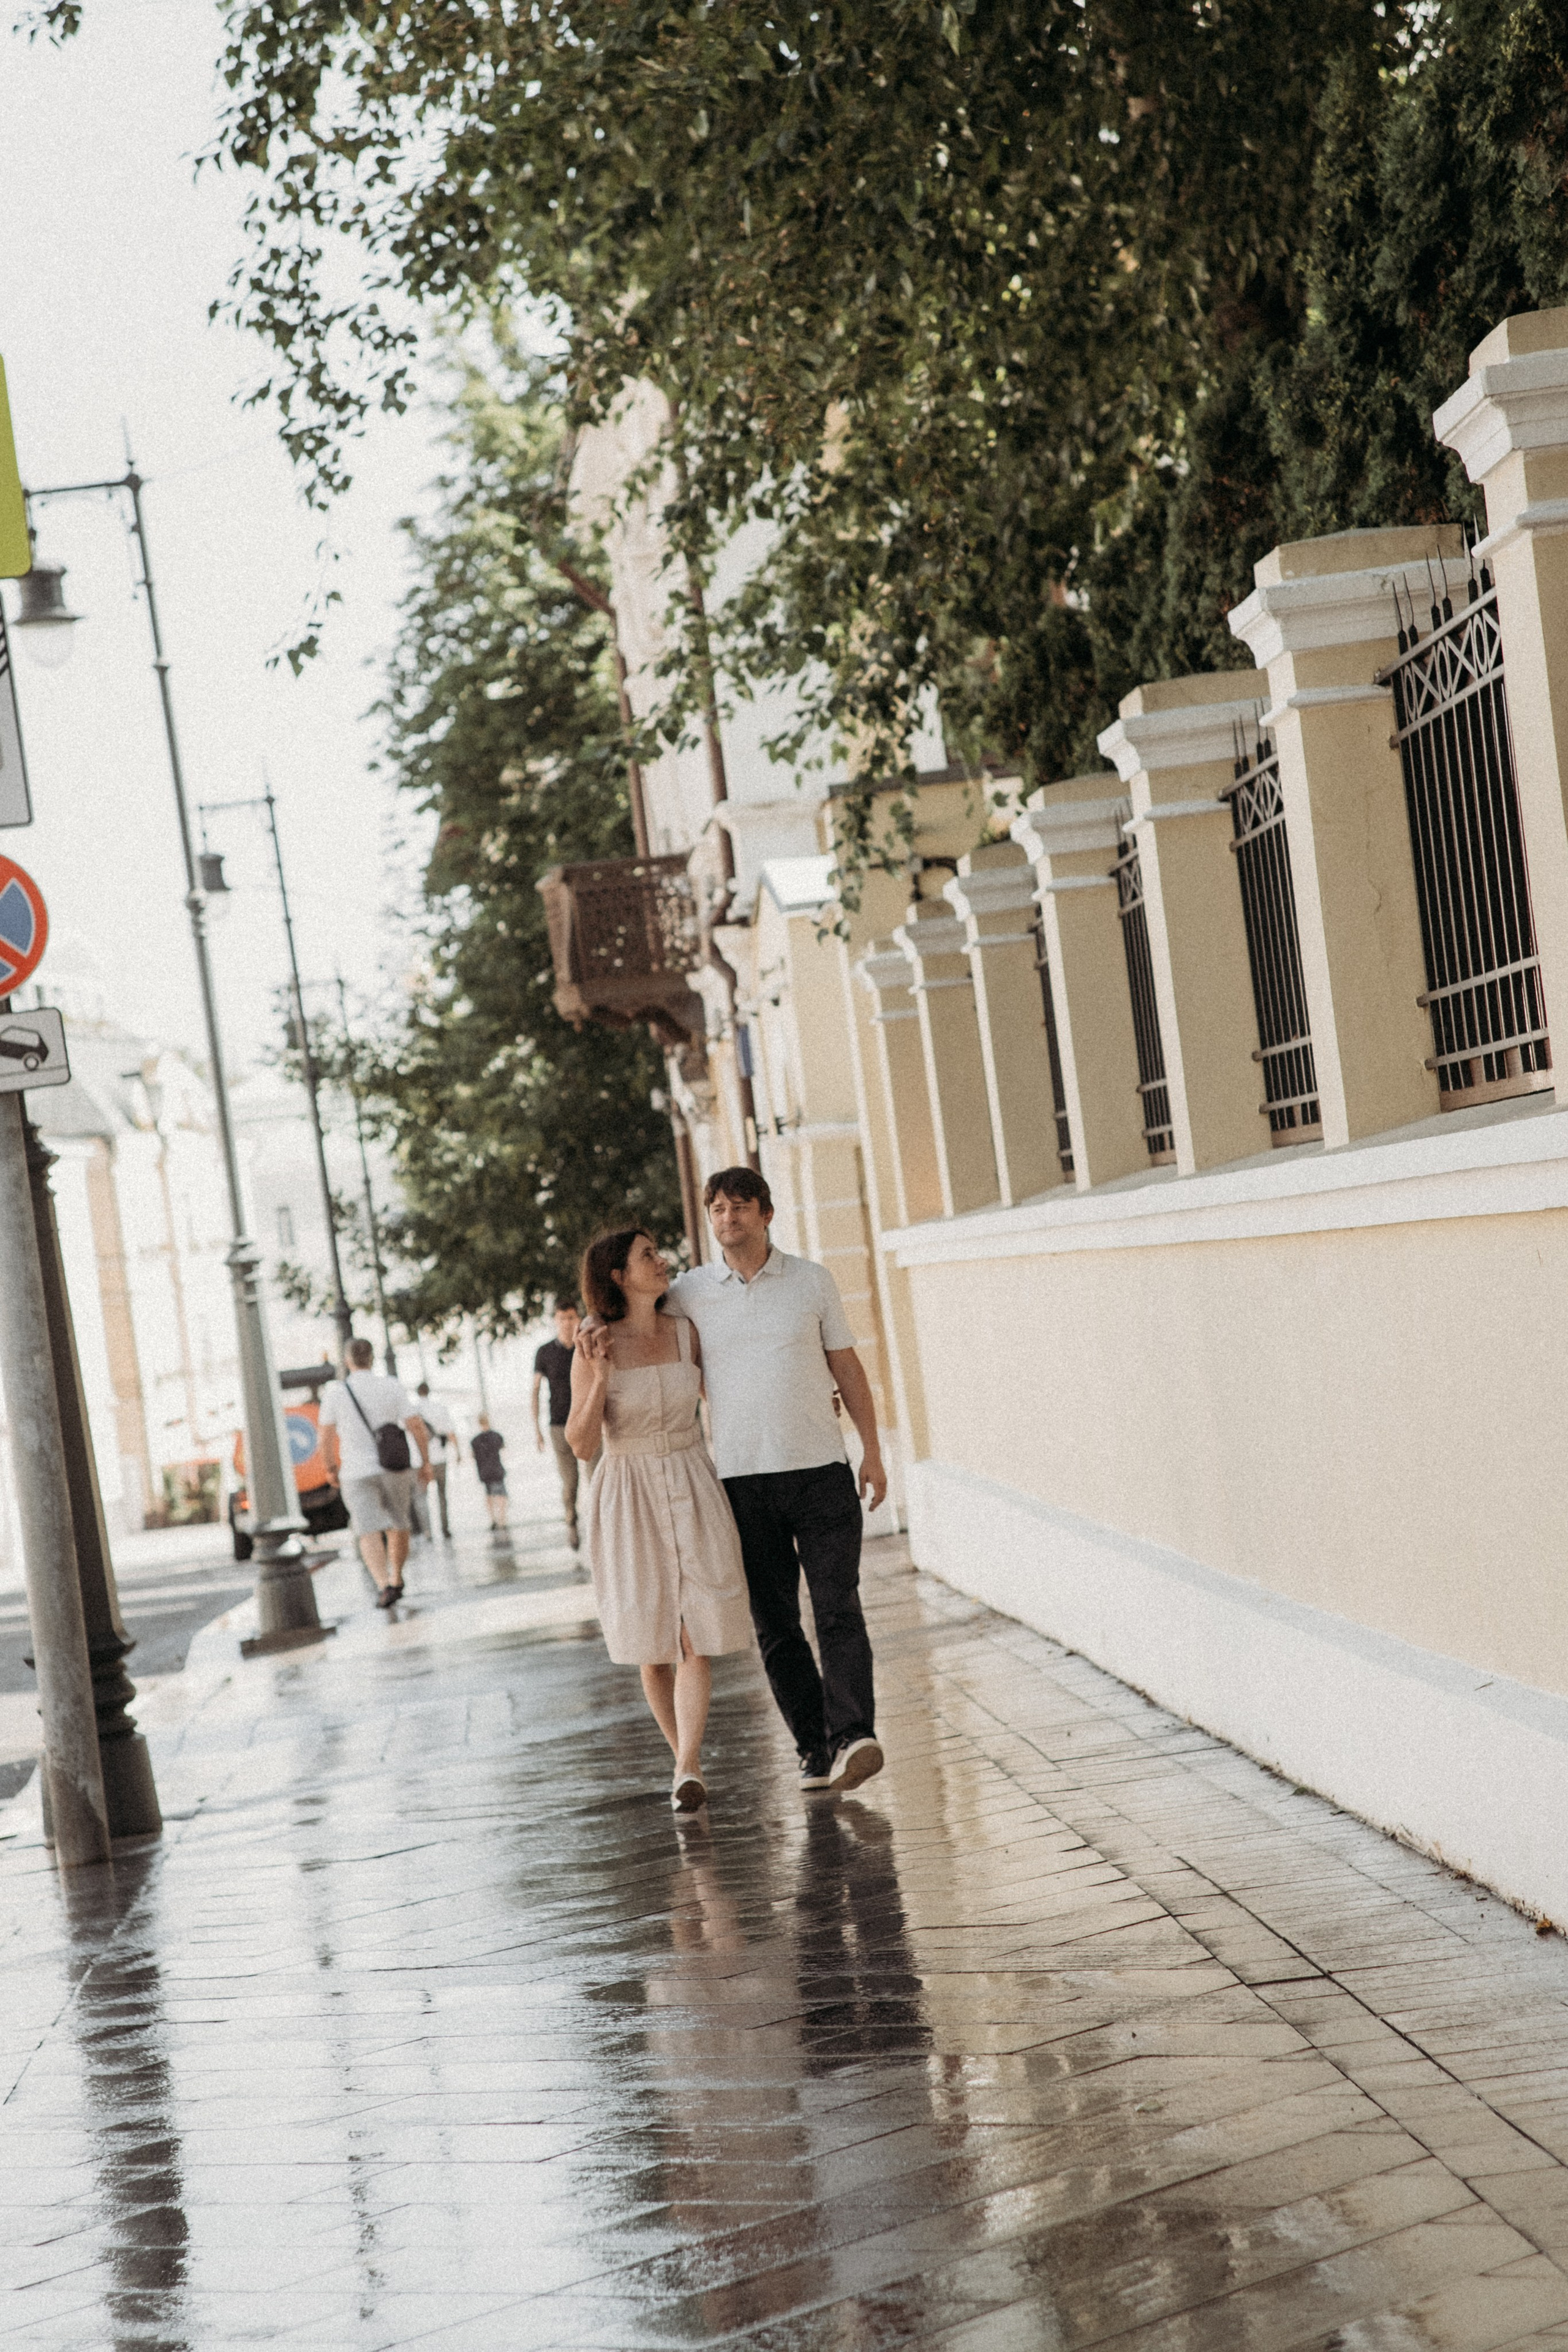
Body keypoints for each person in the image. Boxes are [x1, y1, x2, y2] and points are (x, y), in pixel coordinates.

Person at [667, 1167, 888, 1796]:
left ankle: (854, 1736)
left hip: (821, 1470)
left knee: (837, 1607)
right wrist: (593, 1330)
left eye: (740, 1207)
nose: (728, 1218)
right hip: (742, 1484)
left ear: (766, 1213)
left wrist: (871, 1451)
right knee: (777, 1625)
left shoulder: (811, 1281)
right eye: (718, 1209)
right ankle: (814, 1750)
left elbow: (845, 1365)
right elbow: (637, 1321)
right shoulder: (689, 1292)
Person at [567, 1226, 753, 1814]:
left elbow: (729, 1391)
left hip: (691, 1477)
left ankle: (687, 1763)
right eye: (647, 1255)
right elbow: (579, 1442)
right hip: (628, 1491)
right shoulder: (594, 1345)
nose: (661, 1261)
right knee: (653, 1640)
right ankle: (684, 1762)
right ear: (618, 1276)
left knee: (695, 1630)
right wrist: (598, 1378)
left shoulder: (686, 1332)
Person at [317, 1338, 434, 1608]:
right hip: (394, 1466)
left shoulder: (336, 1392)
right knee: (399, 1523)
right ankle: (396, 1577)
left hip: (355, 1471)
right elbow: (416, 1426)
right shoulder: (391, 1386)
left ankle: (383, 1585)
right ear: (372, 1358)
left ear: (347, 1361)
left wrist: (331, 1468)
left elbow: (325, 1436)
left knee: (367, 1530)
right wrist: (425, 1463)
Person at [532, 1303, 590, 1547]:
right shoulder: (545, 1352)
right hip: (559, 1425)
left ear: (578, 1318)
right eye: (562, 1318)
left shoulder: (586, 1345)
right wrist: (536, 1429)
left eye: (570, 1318)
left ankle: (603, 1525)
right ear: (555, 1321)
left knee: (597, 1477)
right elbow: (535, 1391)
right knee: (570, 1482)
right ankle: (571, 1521)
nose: (567, 1323)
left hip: (588, 1421)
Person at [415, 1381, 459, 1538]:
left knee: (422, 1496)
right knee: (442, 1494)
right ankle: (445, 1528)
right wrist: (458, 1452)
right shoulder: (440, 1408)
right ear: (428, 1391)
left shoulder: (414, 1410)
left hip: (420, 1460)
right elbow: (451, 1432)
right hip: (440, 1457)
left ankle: (427, 1531)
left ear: (417, 1392)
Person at [471, 1416, 508, 1531]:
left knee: (489, 1495)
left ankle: (493, 1519)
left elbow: (472, 1455)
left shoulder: (475, 1440)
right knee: (501, 1495)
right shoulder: (497, 1436)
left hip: (484, 1471)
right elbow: (503, 1449)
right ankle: (502, 1519)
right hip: (497, 1468)